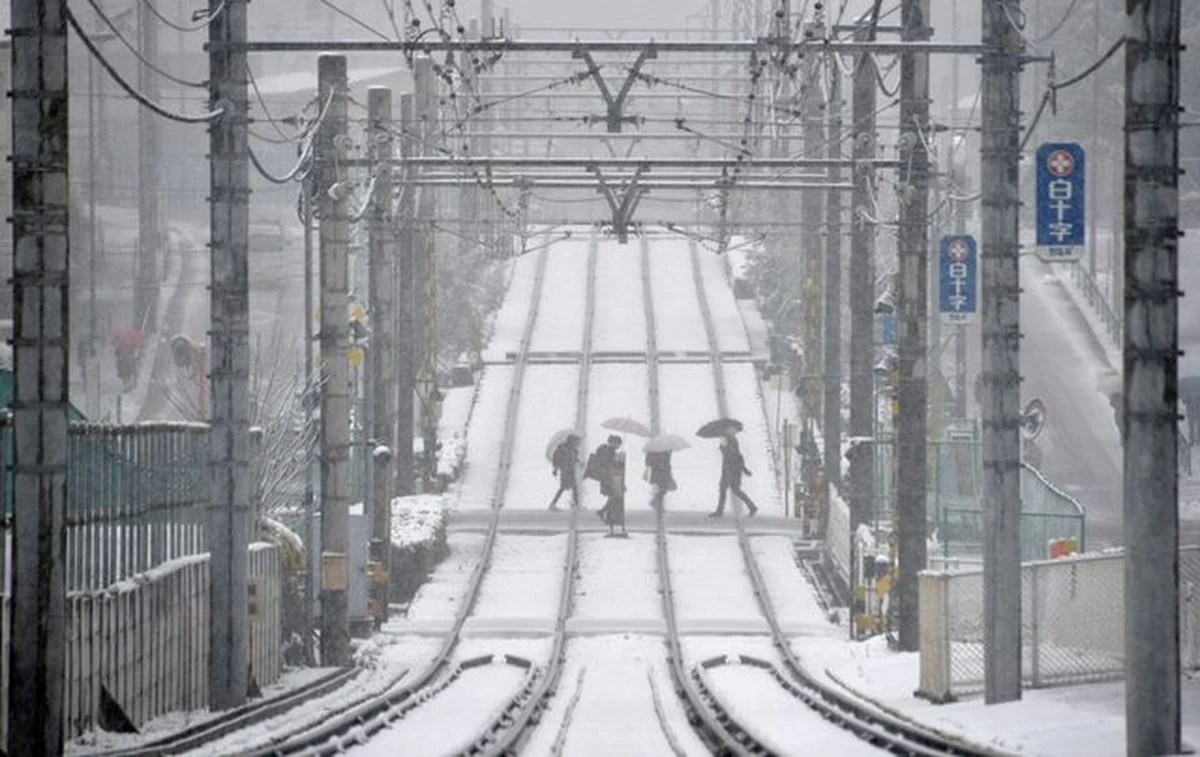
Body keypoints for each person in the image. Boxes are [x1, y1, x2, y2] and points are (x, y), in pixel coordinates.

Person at [710, 429, 758, 518]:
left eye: (722, 437)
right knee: (735, 490)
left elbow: (733, 458)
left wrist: (723, 448)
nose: (720, 439)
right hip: (732, 472)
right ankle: (752, 507)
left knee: (724, 490)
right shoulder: (731, 443)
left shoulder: (730, 445)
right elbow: (737, 457)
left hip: (730, 472)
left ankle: (719, 511)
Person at [588, 435, 625, 529]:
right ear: (612, 442)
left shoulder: (607, 451)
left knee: (614, 496)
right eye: (617, 443)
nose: (618, 445)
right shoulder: (607, 451)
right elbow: (607, 465)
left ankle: (606, 515)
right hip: (607, 477)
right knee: (615, 496)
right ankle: (604, 514)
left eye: (619, 444)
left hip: (607, 477)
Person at [548, 434, 581, 510]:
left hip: (571, 470)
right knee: (563, 488)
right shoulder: (562, 449)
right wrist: (555, 469)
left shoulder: (573, 450)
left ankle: (575, 504)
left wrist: (579, 462)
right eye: (575, 441)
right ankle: (553, 504)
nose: (577, 443)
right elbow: (557, 460)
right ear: (570, 441)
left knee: (573, 487)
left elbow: (574, 458)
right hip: (565, 471)